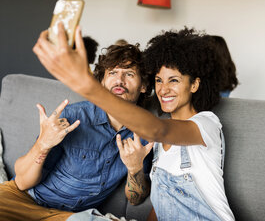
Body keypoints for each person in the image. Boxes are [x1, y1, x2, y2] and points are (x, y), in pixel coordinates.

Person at [32, 23, 235, 220]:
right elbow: (163, 205)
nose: (163, 90)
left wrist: (88, 86)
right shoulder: (154, 150)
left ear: (194, 85)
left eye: (174, 80)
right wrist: (135, 167)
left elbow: (158, 130)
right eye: (158, 80)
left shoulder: (206, 124)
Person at [0, 43, 153, 221]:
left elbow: (135, 199)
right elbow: (22, 183)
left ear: (143, 85)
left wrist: (135, 168)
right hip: (19, 198)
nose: (119, 80)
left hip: (66, 216)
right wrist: (42, 145)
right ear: (102, 82)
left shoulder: (145, 135)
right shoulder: (74, 116)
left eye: (129, 74)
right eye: (112, 72)